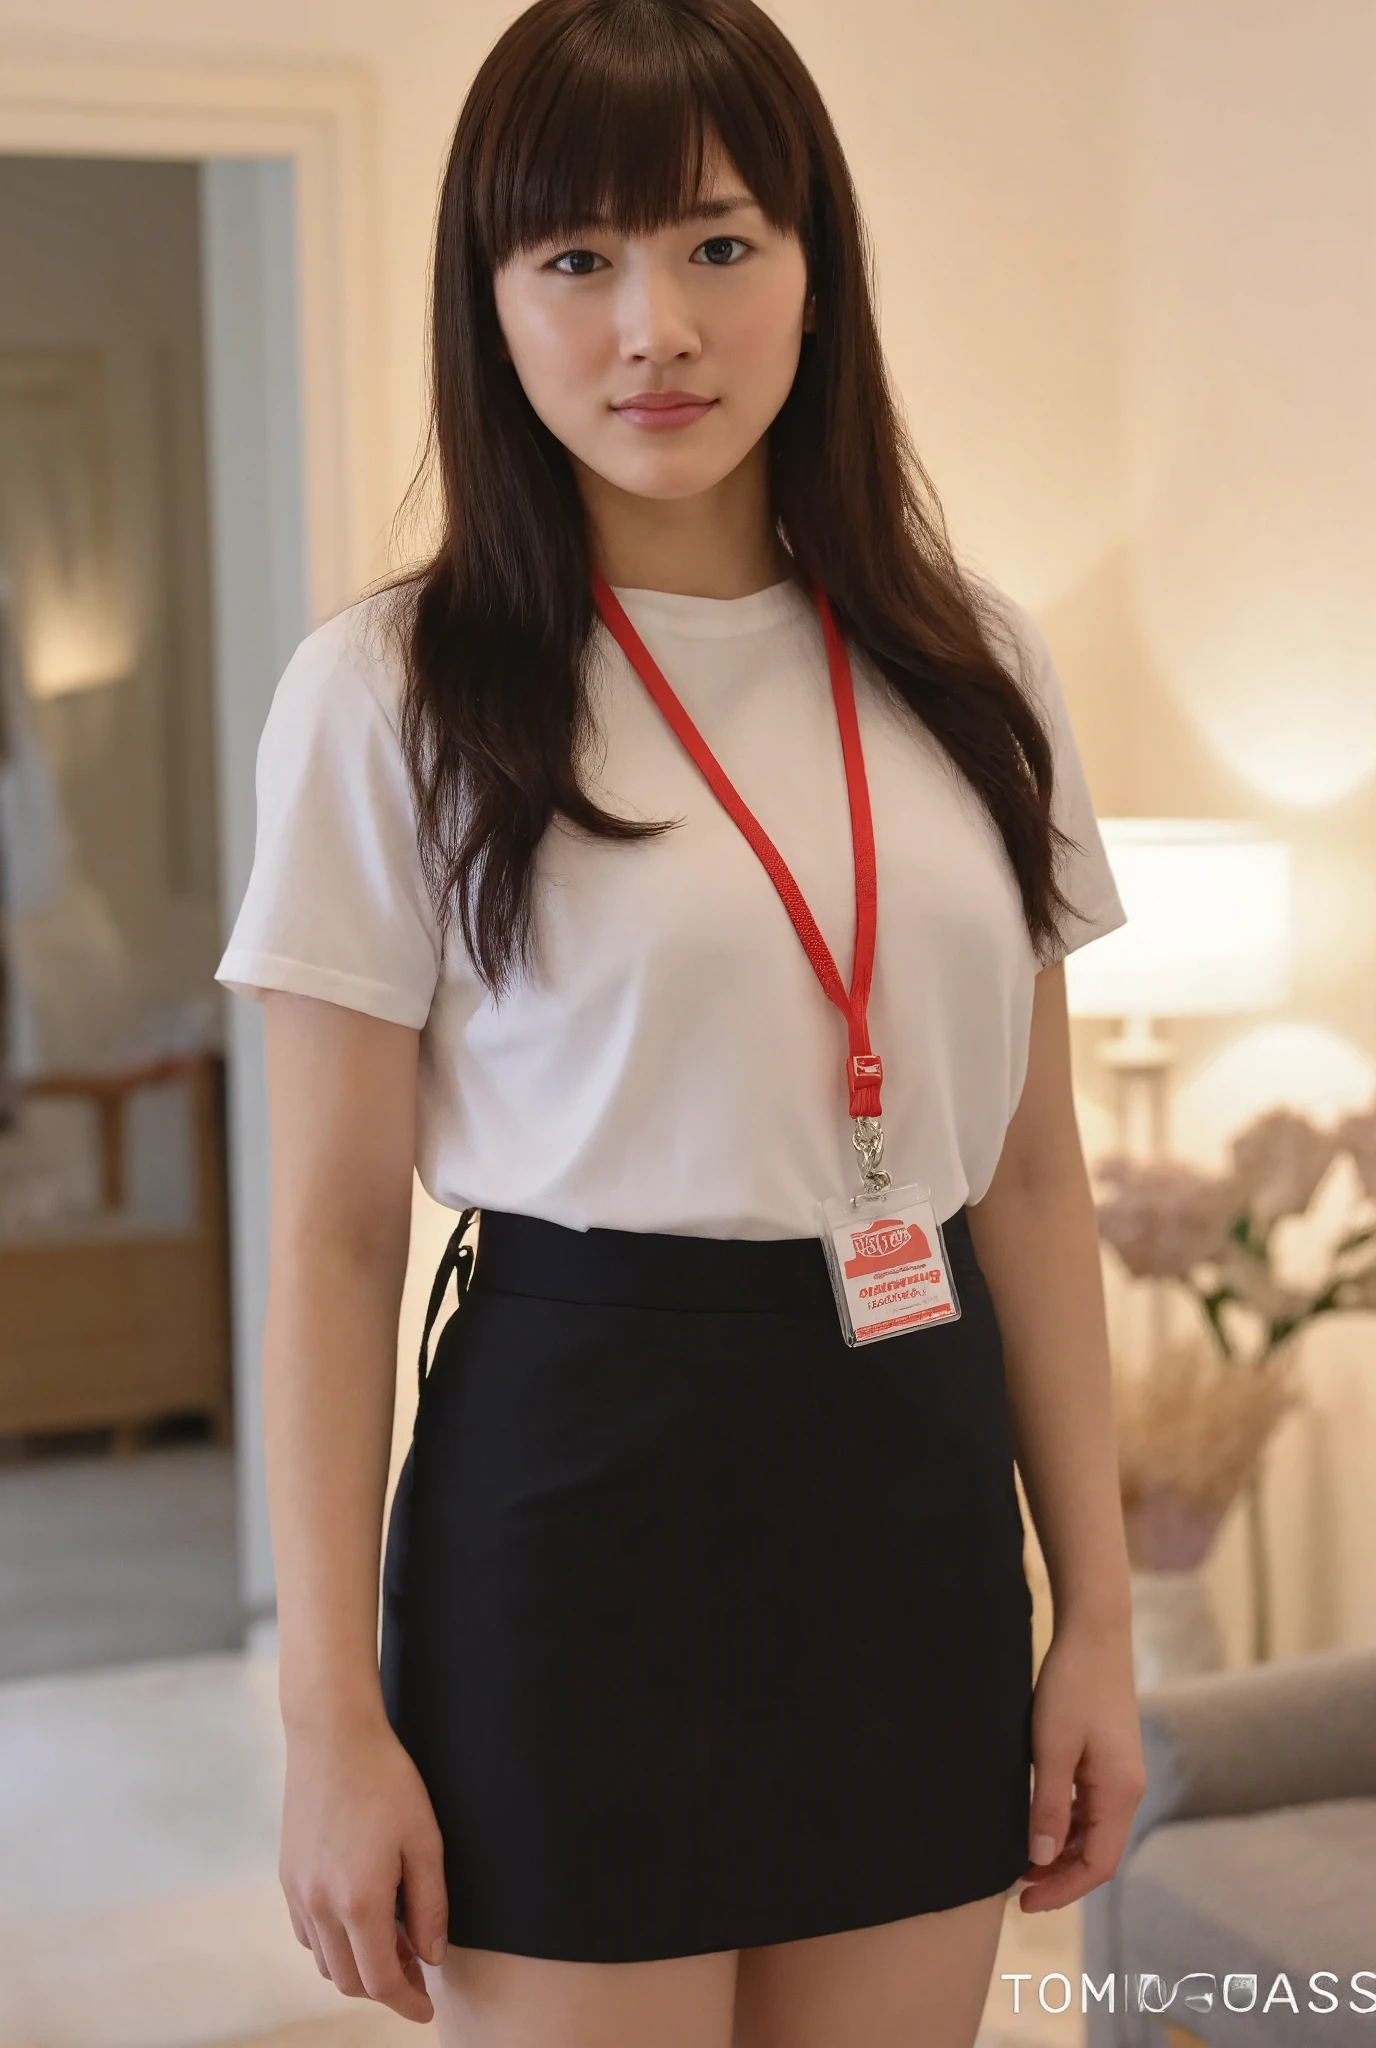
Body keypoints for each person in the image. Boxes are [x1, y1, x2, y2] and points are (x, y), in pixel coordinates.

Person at [214, 0, 1147, 2040]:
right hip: (572, 1491)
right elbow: (334, 1234)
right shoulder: (388, 696)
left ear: (817, 271)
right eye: (578, 259)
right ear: (495, 300)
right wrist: (327, 1715)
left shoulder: (976, 664)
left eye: (720, 243)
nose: (655, 326)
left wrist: (1097, 1619)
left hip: (907, 1479)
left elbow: (1033, 1179)